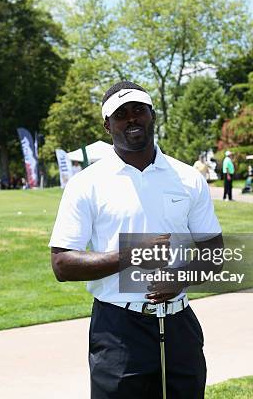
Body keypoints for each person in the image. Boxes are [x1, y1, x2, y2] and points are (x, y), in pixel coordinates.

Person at [49, 81, 224, 399]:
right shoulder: (87, 184)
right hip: (118, 328)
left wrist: (181, 278)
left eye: (138, 110)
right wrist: (130, 255)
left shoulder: (188, 178)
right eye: (121, 114)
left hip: (179, 324)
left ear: (152, 115)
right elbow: (62, 263)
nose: (132, 119)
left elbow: (213, 250)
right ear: (107, 125)